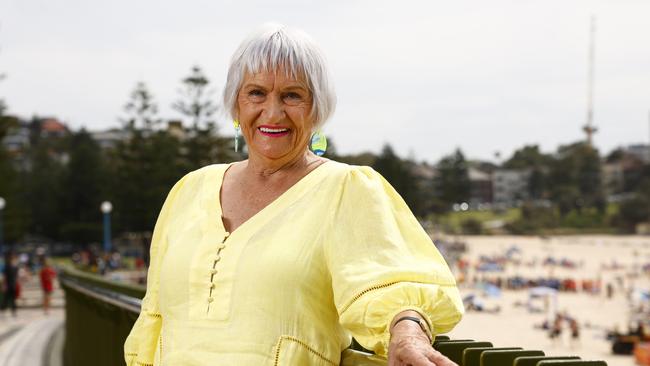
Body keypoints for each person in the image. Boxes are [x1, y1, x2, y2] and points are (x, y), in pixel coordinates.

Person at [124, 24, 464, 366]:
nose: (272, 113)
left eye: (292, 95)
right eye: (256, 93)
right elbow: (154, 320)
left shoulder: (347, 189)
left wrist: (407, 333)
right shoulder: (189, 190)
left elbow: (390, 279)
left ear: (317, 108)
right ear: (235, 104)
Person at [1, 252, 19, 317]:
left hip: (13, 284)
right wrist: (4, 285)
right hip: (8, 284)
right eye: (12, 258)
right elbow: (4, 276)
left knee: (13, 299)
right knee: (6, 298)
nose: (13, 259)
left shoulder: (15, 266)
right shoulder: (7, 266)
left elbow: (16, 276)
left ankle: (14, 312)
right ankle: (2, 310)